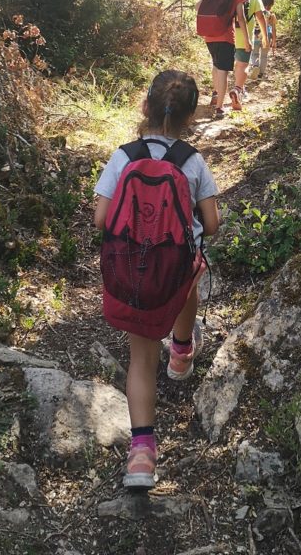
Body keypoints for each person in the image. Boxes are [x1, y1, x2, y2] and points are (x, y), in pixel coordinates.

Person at [93, 70, 220, 489]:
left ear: (145, 106)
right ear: (190, 117)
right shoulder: (192, 161)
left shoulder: (123, 156)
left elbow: (101, 219)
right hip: (176, 268)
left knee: (141, 359)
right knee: (190, 278)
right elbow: (211, 224)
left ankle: (142, 456)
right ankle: (182, 351)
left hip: (134, 272)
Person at [195, 0, 249, 116]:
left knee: (216, 66)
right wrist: (247, 40)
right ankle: (219, 107)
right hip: (225, 37)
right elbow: (241, 19)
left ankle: (215, 95)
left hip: (209, 37)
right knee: (223, 71)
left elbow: (197, 7)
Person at [233, 0, 268, 101]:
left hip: (227, 36)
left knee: (231, 65)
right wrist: (265, 37)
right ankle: (238, 91)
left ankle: (217, 94)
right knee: (242, 65)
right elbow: (260, 17)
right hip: (245, 37)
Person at [248, 0, 277, 80]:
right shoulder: (271, 15)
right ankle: (260, 74)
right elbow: (274, 29)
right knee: (264, 56)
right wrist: (274, 41)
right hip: (266, 37)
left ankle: (255, 66)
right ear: (271, 4)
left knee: (254, 53)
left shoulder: (256, 12)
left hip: (255, 36)